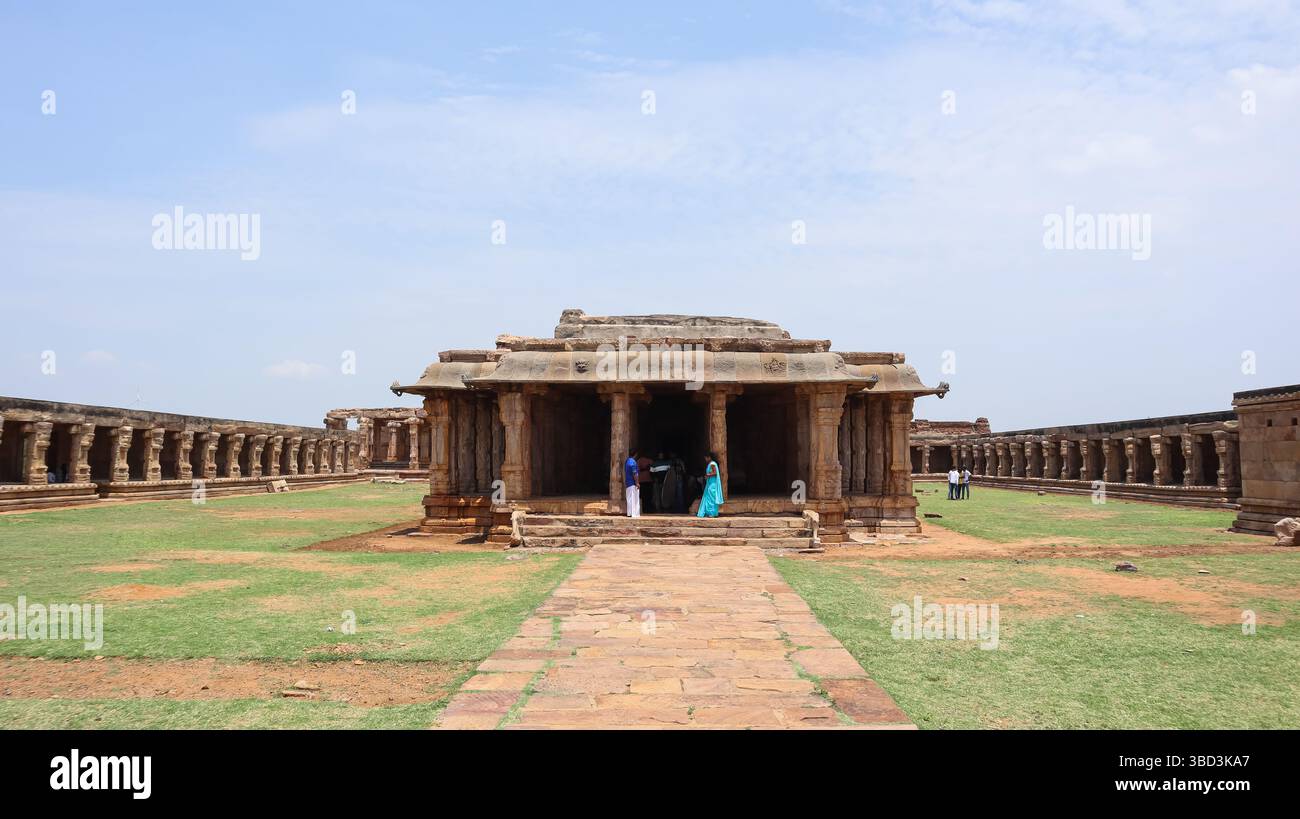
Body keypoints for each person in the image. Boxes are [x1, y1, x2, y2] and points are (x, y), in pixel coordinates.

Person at [697, 451, 724, 518]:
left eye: (706, 458)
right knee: (709, 498)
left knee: (711, 498)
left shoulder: (712, 464)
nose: (705, 459)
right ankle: (710, 512)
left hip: (712, 484)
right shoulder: (711, 464)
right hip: (710, 483)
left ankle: (712, 513)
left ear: (709, 457)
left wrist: (707, 475)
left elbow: (715, 473)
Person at [624, 448, 641, 518]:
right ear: (636, 454)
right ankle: (634, 514)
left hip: (628, 483)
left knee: (630, 499)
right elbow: (635, 473)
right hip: (632, 483)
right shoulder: (633, 462)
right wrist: (637, 483)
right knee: (634, 499)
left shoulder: (627, 461)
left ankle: (630, 513)